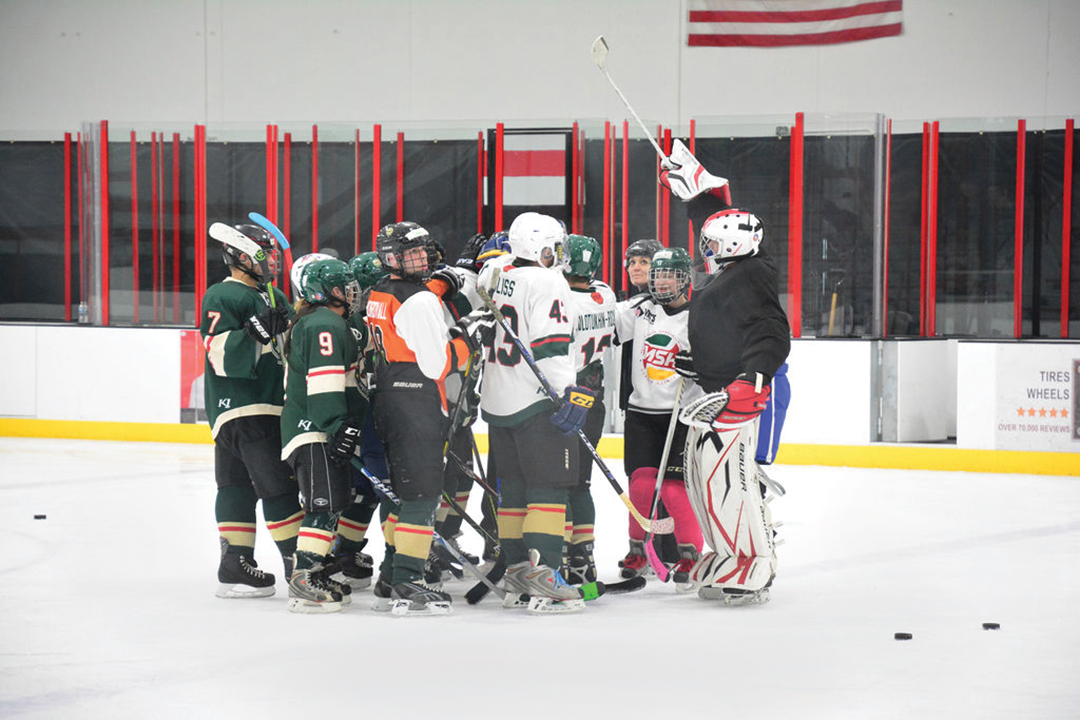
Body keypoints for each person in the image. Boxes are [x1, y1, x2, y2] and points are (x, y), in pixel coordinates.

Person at [364, 221, 490, 616]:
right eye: (409, 254)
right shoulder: (419, 301)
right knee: (421, 498)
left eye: (422, 252)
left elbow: (410, 307)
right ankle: (408, 581)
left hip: (387, 394)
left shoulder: (378, 292)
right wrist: (471, 335)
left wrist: (442, 286)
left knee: (401, 495)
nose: (420, 260)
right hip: (416, 399)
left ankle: (390, 572)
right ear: (391, 258)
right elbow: (439, 363)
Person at [674, 208, 791, 605]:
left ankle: (754, 559)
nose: (705, 249)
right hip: (716, 392)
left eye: (711, 242)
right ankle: (728, 554)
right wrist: (701, 363)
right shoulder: (733, 274)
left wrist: (754, 377)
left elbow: (771, 331)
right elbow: (730, 330)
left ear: (733, 243)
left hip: (737, 396)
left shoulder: (752, 274)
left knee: (732, 482)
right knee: (705, 480)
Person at [477, 212, 588, 614]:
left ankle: (518, 571)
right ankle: (545, 573)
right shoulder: (548, 281)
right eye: (555, 247)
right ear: (541, 249)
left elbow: (482, 276)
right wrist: (568, 392)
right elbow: (552, 346)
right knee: (549, 489)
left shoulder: (498, 271)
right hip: (536, 398)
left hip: (498, 401)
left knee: (515, 489)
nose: (559, 254)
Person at [201, 222, 302, 599]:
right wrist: (254, 333)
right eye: (265, 254)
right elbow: (218, 353)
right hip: (250, 407)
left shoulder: (273, 295)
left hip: (244, 410)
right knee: (278, 487)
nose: (273, 261)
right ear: (241, 257)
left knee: (236, 485)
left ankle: (235, 564)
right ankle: (299, 566)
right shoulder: (223, 294)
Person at [612, 247, 704, 584]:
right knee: (641, 486)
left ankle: (690, 555)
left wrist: (701, 366)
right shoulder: (640, 309)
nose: (662, 282)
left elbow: (723, 357)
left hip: (680, 415)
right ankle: (638, 551)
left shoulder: (700, 315)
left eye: (670, 275)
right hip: (641, 412)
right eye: (658, 275)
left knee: (674, 490)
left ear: (684, 279)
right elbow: (600, 324)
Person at [280, 258, 366, 613]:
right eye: (343, 286)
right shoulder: (324, 324)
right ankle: (304, 577)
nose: (351, 291)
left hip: (318, 429)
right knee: (323, 505)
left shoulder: (325, 321)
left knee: (333, 503)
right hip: (313, 430)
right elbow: (324, 379)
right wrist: (334, 424)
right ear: (326, 291)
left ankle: (316, 569)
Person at [560, 234, 617, 586]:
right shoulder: (606, 294)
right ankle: (585, 560)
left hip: (565, 398)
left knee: (557, 485)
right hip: (594, 398)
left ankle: (561, 556)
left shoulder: (560, 298)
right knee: (580, 484)